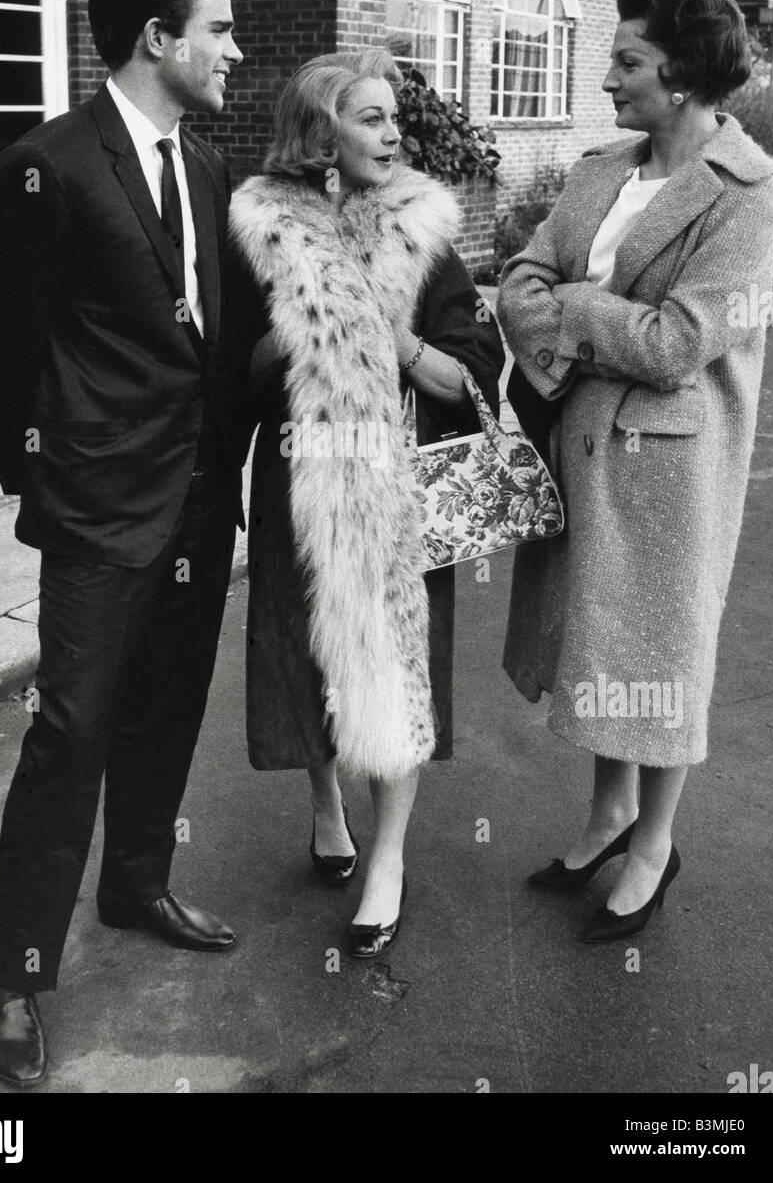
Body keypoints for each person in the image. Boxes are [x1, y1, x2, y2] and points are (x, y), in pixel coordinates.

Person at [0, 0, 249, 1085]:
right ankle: (18, 979)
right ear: (156, 39)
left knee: (167, 705)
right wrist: (43, 476)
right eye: (217, 29)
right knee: (70, 731)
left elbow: (209, 341)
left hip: (193, 503)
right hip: (95, 508)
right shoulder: (45, 169)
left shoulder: (210, 169)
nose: (233, 49)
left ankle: (134, 884)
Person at [497, 0, 773, 942]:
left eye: (626, 60)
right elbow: (518, 272)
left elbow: (677, 344)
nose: (607, 77)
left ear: (684, 71)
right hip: (579, 441)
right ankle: (607, 815)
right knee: (595, 639)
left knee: (657, 650)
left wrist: (570, 313)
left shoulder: (741, 192)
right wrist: (562, 315)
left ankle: (652, 842)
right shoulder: (597, 168)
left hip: (669, 467)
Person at [229, 49, 505, 956]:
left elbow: (475, 369)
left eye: (395, 118)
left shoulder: (422, 232)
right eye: (372, 118)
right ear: (321, 133)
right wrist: (284, 342)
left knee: (397, 668)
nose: (395, 135)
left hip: (394, 491)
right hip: (299, 477)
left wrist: (401, 345)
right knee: (306, 653)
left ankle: (388, 858)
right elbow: (228, 370)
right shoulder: (262, 226)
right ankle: (323, 799)